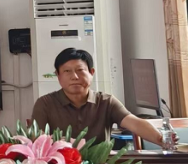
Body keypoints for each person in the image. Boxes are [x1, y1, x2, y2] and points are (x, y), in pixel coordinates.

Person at [32, 48, 168, 145]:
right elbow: (37, 141)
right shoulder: (45, 103)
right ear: (58, 75)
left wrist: (163, 140)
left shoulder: (106, 102)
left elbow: (135, 123)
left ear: (91, 72)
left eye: (80, 70)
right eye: (67, 71)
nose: (74, 77)